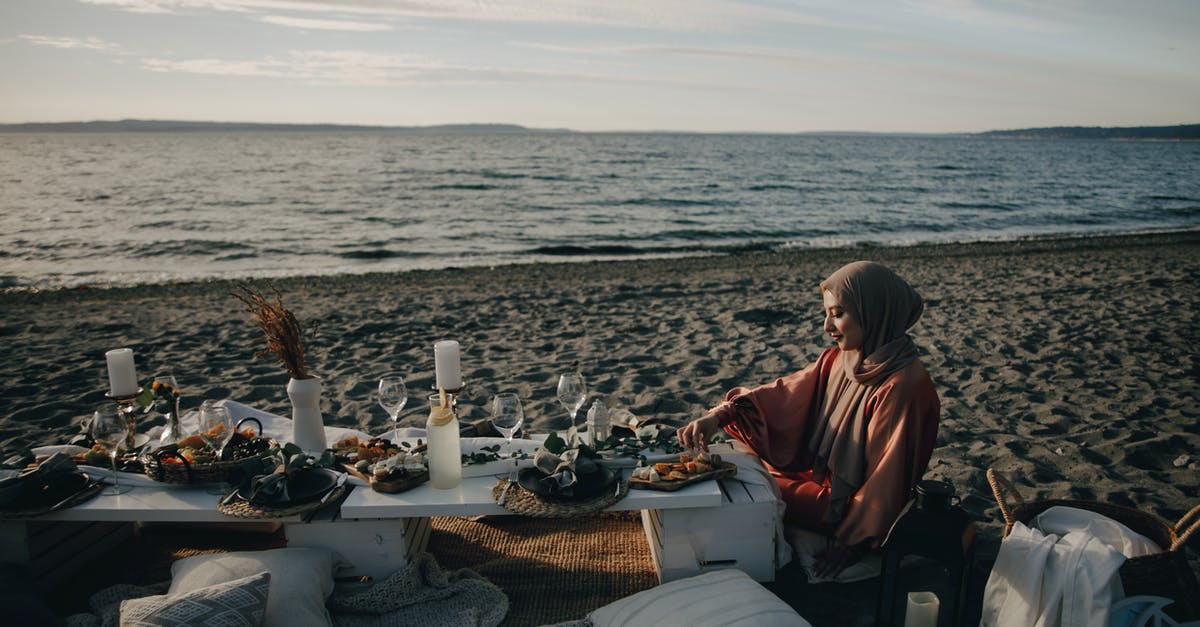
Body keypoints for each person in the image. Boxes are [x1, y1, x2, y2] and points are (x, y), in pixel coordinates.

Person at [677, 260, 940, 578]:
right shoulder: (844, 359)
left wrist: (851, 545)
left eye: (838, 314)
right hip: (818, 478)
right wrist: (721, 416)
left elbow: (886, 482)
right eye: (826, 314)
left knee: (751, 483)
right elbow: (784, 394)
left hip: (846, 508)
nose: (827, 328)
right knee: (740, 465)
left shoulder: (904, 387)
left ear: (874, 312)